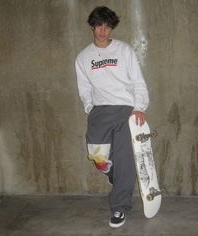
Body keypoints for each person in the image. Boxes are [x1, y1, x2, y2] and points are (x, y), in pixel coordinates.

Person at [75, 6, 149, 228]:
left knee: (125, 160)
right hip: (100, 110)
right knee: (98, 158)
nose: (103, 31)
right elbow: (84, 87)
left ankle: (119, 207)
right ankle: (111, 172)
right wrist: (90, 107)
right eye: (99, 25)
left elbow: (137, 81)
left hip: (125, 110)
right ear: (92, 26)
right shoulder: (83, 57)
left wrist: (139, 107)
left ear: (112, 28)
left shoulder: (124, 51)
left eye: (107, 26)